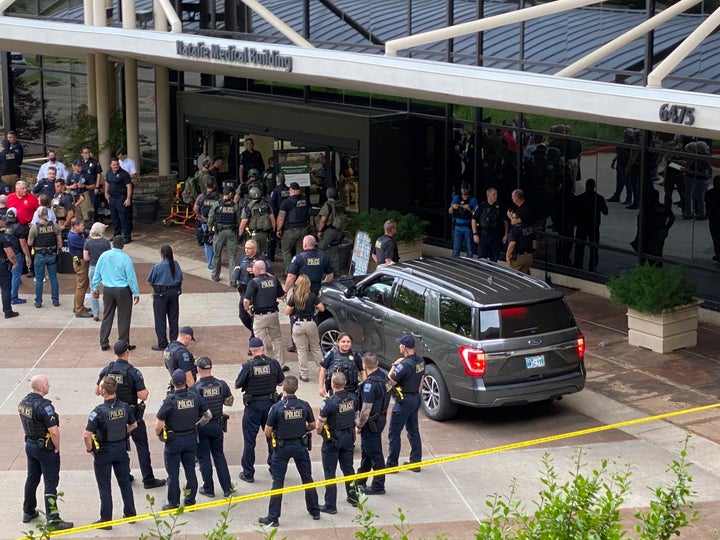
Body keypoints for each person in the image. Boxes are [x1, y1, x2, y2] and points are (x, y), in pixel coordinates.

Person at [97, 340, 166, 490]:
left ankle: (125, 475)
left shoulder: (108, 370)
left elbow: (97, 391)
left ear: (115, 353)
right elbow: (143, 395)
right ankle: (148, 478)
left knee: (120, 444)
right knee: (141, 446)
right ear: (127, 352)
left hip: (112, 415)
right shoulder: (133, 372)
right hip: (131, 415)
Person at [260, 375, 320, 527]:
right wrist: (302, 428)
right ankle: (315, 510)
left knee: (278, 482)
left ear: (283, 388)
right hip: (300, 446)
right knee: (307, 478)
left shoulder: (277, 408)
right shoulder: (304, 405)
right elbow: (312, 425)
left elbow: (267, 432)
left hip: (281, 448)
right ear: (297, 388)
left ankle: (273, 517)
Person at [18, 374, 73, 530]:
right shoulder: (44, 407)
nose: (49, 385)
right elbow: (54, 431)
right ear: (41, 388)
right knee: (50, 483)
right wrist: (57, 447)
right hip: (45, 448)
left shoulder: (24, 403)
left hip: (30, 444)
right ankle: (53, 519)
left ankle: (28, 511)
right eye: (47, 384)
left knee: (32, 478)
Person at [83, 376, 137, 529]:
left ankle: (106, 520)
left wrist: (90, 449)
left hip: (104, 452)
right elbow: (134, 424)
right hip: (121, 449)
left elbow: (86, 435)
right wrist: (122, 432)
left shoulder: (98, 412)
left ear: (103, 391)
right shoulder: (125, 407)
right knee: (125, 483)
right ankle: (131, 514)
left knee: (104, 486)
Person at [155, 369, 211, 510]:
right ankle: (190, 500)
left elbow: (158, 425)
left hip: (174, 441)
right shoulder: (194, 397)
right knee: (190, 470)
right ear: (186, 382)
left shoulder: (170, 401)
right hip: (191, 438)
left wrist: (160, 435)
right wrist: (196, 426)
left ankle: (174, 503)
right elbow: (208, 415)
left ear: (173, 383)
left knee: (173, 473)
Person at [234, 336, 285, 484]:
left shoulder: (247, 366)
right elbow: (281, 382)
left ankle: (248, 473)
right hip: (270, 405)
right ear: (263, 348)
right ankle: (274, 468)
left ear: (251, 350)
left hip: (253, 406)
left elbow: (238, 384)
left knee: (250, 440)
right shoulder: (274, 363)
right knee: (272, 437)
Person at [316, 372, 359, 514]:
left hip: (333, 440)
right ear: (344, 383)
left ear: (332, 385)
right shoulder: (353, 398)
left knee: (330, 472)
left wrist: (319, 431)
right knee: (348, 468)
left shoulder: (329, 402)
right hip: (348, 437)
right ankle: (354, 497)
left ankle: (330, 505)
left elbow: (320, 424)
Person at [193, 356, 234, 498]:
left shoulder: (195, 388)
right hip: (217, 424)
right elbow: (229, 402)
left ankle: (208, 488)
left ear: (198, 369)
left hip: (202, 426)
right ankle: (227, 488)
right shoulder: (221, 384)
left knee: (204, 458)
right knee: (219, 455)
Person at [91, 235, 140, 351]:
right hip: (122, 290)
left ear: (113, 244)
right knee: (124, 317)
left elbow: (97, 273)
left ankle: (104, 342)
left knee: (107, 315)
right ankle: (123, 343)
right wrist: (136, 292)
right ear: (123, 245)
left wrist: (95, 287)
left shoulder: (104, 256)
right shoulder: (125, 258)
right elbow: (131, 278)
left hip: (108, 289)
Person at [385, 334, 425, 474]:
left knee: (394, 433)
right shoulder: (420, 361)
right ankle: (415, 462)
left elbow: (389, 382)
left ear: (404, 347)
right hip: (415, 398)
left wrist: (394, 365)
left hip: (404, 402)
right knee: (413, 431)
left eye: (400, 345)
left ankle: (392, 464)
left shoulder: (404, 365)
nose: (399, 347)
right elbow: (421, 379)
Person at [355, 353, 390, 499]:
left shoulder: (369, 385)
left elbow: (366, 409)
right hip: (380, 418)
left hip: (371, 423)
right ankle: (361, 480)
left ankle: (378, 485)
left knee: (374, 453)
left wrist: (359, 425)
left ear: (364, 365)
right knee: (367, 451)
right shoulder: (384, 377)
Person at [244, 260, 287, 370]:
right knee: (276, 339)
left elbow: (246, 301)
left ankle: (265, 364)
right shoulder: (274, 280)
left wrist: (247, 309)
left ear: (257, 270)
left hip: (259, 316)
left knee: (261, 341)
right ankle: (280, 365)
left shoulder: (253, 282)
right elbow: (282, 296)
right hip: (273, 314)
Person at [230, 239, 272, 348]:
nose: (246, 250)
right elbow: (238, 267)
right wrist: (236, 272)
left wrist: (258, 272)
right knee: (242, 315)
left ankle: (254, 339)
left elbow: (271, 276)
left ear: (255, 249)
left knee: (253, 316)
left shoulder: (262, 259)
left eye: (249, 248)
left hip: (256, 291)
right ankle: (256, 331)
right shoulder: (243, 258)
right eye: (245, 248)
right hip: (244, 290)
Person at [284, 274, 325, 382]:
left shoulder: (294, 296)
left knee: (301, 351)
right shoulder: (312, 296)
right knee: (315, 348)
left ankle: (304, 374)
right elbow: (322, 309)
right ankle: (323, 369)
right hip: (311, 323)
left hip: (298, 324)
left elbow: (287, 311)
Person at [147, 245, 183, 351]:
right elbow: (180, 278)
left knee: (160, 319)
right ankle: (174, 342)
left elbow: (151, 280)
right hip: (174, 293)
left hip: (161, 294)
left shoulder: (158, 266)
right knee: (173, 318)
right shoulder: (175, 264)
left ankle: (162, 342)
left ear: (162, 254)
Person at [27, 207, 61, 309]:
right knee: (53, 277)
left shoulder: (34, 228)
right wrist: (58, 251)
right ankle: (55, 300)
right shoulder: (54, 226)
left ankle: (38, 302)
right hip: (52, 254)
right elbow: (59, 242)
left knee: (39, 279)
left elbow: (29, 243)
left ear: (38, 216)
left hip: (39, 255)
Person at [573, 178, 608, 272]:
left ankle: (577, 266)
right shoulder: (599, 198)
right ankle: (592, 268)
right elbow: (606, 211)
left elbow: (574, 212)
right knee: (594, 249)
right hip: (594, 226)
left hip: (582, 226)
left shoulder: (580, 198)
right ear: (594, 187)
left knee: (579, 248)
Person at [208, 186, 240, 284]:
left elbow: (210, 218)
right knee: (232, 257)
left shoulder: (217, 204)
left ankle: (215, 275)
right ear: (230, 194)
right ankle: (233, 280)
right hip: (231, 232)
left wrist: (210, 229)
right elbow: (238, 220)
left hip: (219, 232)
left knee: (217, 255)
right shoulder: (235, 206)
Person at [276, 181, 310, 271]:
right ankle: (302, 271)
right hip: (304, 229)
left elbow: (280, 218)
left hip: (290, 230)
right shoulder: (305, 199)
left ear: (290, 190)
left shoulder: (286, 202)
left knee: (286, 251)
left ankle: (289, 271)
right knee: (300, 251)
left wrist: (278, 229)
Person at [318, 332, 364, 398]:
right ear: (338, 342)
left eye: (348, 342)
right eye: (343, 342)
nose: (346, 344)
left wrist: (364, 386)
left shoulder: (356, 355)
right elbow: (322, 370)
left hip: (352, 390)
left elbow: (362, 372)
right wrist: (321, 387)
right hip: (335, 391)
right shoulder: (331, 354)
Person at [83, 222, 111, 321]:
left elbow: (85, 258)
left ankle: (95, 313)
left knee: (93, 290)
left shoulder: (88, 242)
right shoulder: (106, 243)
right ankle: (108, 311)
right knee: (107, 290)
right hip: (104, 269)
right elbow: (109, 257)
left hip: (93, 267)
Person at [316, 187, 348, 272]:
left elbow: (323, 219)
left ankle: (321, 271)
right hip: (338, 231)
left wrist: (319, 231)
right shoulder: (340, 204)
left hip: (329, 230)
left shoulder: (328, 205)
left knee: (321, 249)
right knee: (334, 251)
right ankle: (336, 271)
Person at [472, 187, 507, 262]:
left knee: (494, 258)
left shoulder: (499, 207)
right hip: (484, 234)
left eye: (496, 194)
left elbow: (505, 221)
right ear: (488, 195)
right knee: (482, 258)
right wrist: (475, 234)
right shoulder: (481, 206)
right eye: (494, 194)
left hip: (496, 235)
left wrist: (506, 234)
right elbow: (474, 219)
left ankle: (492, 273)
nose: (496, 196)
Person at [239, 186, 275, 256]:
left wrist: (240, 236)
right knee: (262, 254)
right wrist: (273, 231)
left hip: (253, 234)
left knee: (252, 254)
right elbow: (273, 219)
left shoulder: (248, 208)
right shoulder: (266, 205)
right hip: (265, 235)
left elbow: (243, 224)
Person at [67, 218, 93, 317]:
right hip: (80, 262)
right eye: (81, 226)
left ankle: (77, 305)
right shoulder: (73, 237)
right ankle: (79, 310)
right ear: (75, 226)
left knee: (81, 284)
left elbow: (87, 234)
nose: (83, 227)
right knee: (82, 285)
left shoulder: (77, 234)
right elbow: (86, 245)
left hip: (80, 261)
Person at [193, 179, 221, 269]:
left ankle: (210, 264)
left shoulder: (201, 196)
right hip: (217, 223)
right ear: (214, 186)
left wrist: (199, 216)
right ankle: (216, 262)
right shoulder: (219, 196)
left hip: (205, 222)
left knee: (208, 244)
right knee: (217, 242)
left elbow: (195, 208)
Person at [6, 208, 32, 304]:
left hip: (5, 254)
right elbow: (23, 244)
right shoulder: (18, 228)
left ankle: (7, 295)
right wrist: (28, 257)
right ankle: (13, 297)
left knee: (7, 276)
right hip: (16, 254)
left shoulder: (2, 226)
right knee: (16, 276)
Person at [105, 158, 133, 243]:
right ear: (110, 165)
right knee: (114, 218)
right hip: (112, 198)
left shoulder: (124, 174)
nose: (116, 166)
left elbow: (129, 186)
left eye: (117, 164)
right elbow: (107, 182)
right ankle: (116, 235)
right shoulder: (109, 172)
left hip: (121, 198)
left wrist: (128, 198)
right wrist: (106, 193)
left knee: (123, 218)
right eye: (114, 165)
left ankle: (127, 237)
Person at [448, 181, 478, 257]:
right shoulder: (457, 198)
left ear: (468, 189)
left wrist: (469, 208)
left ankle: (469, 265)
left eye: (465, 188)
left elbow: (476, 213)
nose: (464, 190)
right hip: (458, 228)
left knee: (469, 250)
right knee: (456, 250)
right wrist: (452, 207)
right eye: (462, 188)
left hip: (467, 228)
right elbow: (450, 212)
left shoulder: (473, 200)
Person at [0, 211, 19, 319]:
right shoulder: (3, 236)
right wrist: (15, 262)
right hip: (2, 265)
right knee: (6, 288)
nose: (4, 222)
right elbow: (9, 252)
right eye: (2, 220)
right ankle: (8, 311)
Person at [505, 210, 536, 275]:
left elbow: (512, 244)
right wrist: (533, 253)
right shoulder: (528, 229)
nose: (511, 219)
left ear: (519, 219)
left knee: (514, 277)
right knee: (525, 277)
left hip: (518, 258)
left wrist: (507, 256)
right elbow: (533, 241)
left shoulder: (514, 230)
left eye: (513, 218)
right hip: (529, 256)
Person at [66, 158, 95, 225]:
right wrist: (71, 186)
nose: (80, 167)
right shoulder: (70, 175)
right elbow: (66, 186)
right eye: (78, 166)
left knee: (86, 216)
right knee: (76, 215)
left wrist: (84, 186)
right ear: (74, 166)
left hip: (84, 197)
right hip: (74, 197)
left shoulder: (87, 175)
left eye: (81, 166)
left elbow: (93, 186)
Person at [79, 147, 103, 223]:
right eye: (85, 153)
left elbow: (99, 174)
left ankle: (95, 221)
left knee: (94, 205)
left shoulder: (95, 162)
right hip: (83, 187)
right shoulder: (80, 162)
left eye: (88, 152)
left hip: (93, 186)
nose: (87, 154)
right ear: (82, 154)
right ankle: (86, 221)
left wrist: (97, 187)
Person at [706, 176, 720, 262]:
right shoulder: (709, 193)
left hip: (714, 217)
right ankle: (718, 252)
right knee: (715, 236)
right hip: (714, 218)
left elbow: (708, 204)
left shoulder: (709, 193)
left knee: (716, 236)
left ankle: (718, 252)